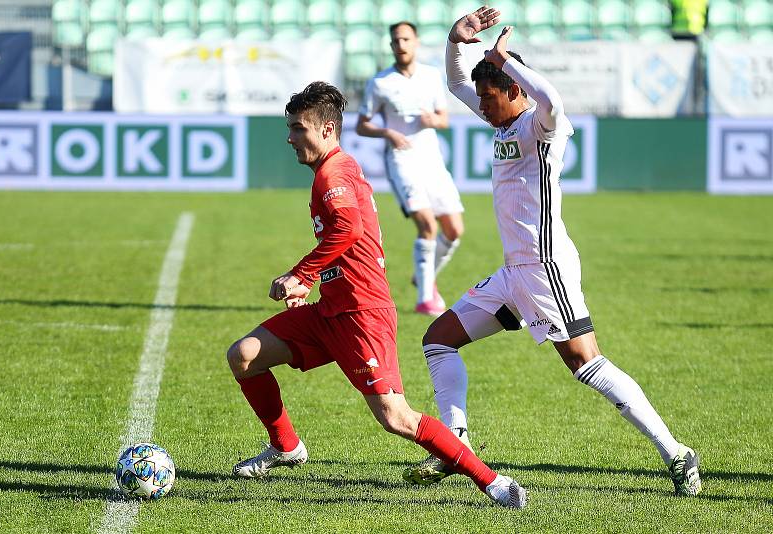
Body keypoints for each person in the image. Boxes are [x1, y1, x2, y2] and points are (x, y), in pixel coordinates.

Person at [402, 7, 703, 498]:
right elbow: (458, 84)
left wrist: (506, 59)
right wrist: (458, 44)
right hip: (513, 273)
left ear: (514, 89)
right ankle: (455, 449)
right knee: (438, 340)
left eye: (491, 94)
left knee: (587, 364)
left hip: (546, 270)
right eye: (483, 95)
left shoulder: (541, 127)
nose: (482, 104)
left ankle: (676, 452)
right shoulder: (502, 121)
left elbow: (554, 99)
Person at [226, 81, 527, 508]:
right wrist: (315, 281)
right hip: (331, 309)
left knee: (396, 417)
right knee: (244, 355)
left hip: (362, 314)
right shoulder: (334, 170)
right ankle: (286, 447)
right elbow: (347, 237)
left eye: (298, 129)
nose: (290, 138)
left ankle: (493, 481)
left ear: (327, 129)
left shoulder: (333, 173)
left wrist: (302, 275)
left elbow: (348, 229)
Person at [356, 21, 465, 317]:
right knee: (427, 226)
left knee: (454, 230)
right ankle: (425, 298)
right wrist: (387, 133)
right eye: (395, 40)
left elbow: (444, 118)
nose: (400, 44)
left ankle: (424, 275)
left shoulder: (431, 76)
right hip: (401, 161)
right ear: (391, 46)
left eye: (405, 39)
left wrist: (435, 120)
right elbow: (361, 124)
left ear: (416, 42)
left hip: (431, 160)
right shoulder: (379, 82)